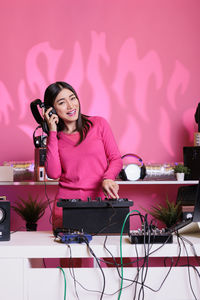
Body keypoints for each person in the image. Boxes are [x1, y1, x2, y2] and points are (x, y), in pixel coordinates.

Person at [44, 81, 123, 229]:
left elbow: (116, 159)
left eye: (72, 98)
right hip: (66, 208)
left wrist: (108, 178)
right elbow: (53, 173)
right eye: (62, 102)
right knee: (67, 251)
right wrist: (52, 131)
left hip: (99, 203)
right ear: (52, 110)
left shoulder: (98, 124)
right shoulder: (55, 138)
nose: (70, 105)